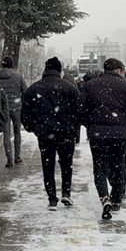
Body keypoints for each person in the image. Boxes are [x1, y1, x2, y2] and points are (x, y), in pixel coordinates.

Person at [79, 58, 126, 220]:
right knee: (119, 165)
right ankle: (116, 199)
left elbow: (81, 110)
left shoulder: (90, 86)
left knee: (100, 167)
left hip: (97, 134)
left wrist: (91, 126)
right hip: (120, 134)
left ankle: (104, 197)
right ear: (120, 70)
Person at [21, 57, 80, 211]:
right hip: (66, 132)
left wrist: (33, 128)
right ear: (60, 70)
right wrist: (74, 129)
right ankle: (66, 192)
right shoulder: (70, 88)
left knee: (48, 164)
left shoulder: (35, 88)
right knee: (66, 163)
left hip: (45, 133)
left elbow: (25, 112)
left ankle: (52, 198)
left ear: (45, 70)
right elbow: (78, 111)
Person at [0, 56, 27, 168]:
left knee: (6, 134)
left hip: (4, 110)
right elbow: (25, 92)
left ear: (2, 64)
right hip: (17, 109)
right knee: (17, 131)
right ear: (12, 65)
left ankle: (9, 159)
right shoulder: (18, 77)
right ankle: (17, 156)